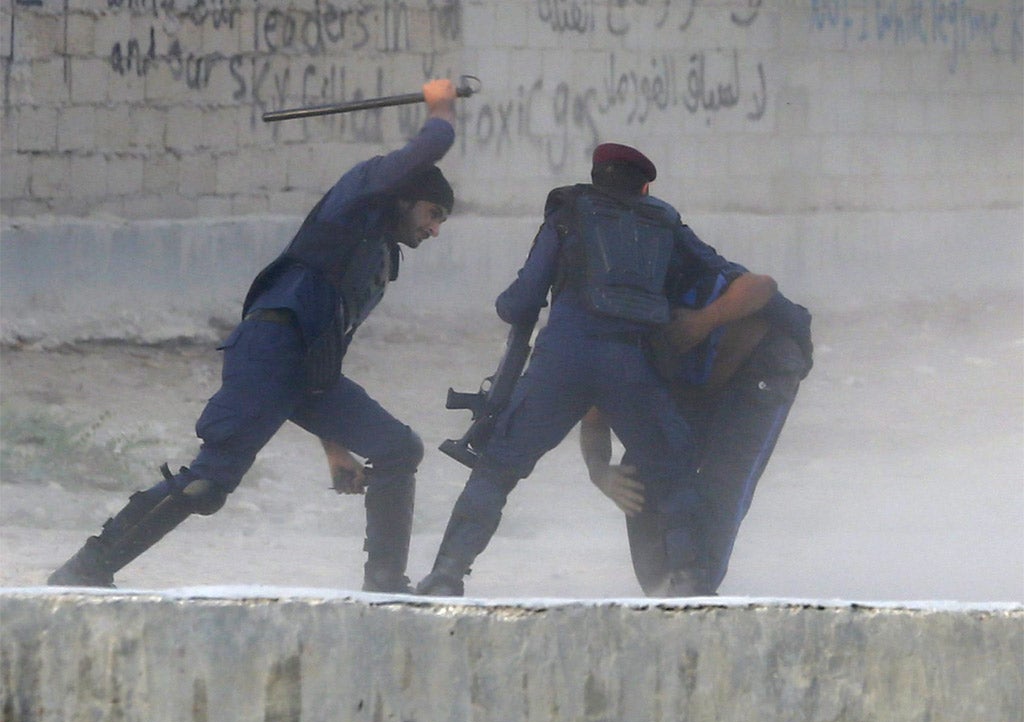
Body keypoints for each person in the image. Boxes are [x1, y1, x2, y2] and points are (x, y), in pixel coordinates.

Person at [47, 79, 460, 593]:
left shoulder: (379, 260)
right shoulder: (360, 195)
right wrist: (440, 106)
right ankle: (86, 568)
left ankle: (385, 583)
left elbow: (331, 349)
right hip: (268, 351)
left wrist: (335, 449)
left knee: (398, 449)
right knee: (208, 484)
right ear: (405, 198)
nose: (435, 229)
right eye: (433, 214)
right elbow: (429, 147)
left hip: (310, 370)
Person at [417, 143, 722, 597]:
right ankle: (692, 587)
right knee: (674, 475)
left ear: (597, 175)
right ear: (644, 186)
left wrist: (509, 306)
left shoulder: (569, 211)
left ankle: (446, 576)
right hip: (632, 363)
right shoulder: (664, 222)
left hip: (561, 361)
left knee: (496, 469)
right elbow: (716, 270)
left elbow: (522, 300)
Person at [580, 257, 813, 596]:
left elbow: (762, 286)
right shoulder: (610, 345)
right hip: (699, 383)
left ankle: (697, 594)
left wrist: (705, 320)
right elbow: (593, 422)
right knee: (639, 470)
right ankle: (662, 590)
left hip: (764, 362)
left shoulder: (673, 278)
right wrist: (599, 471)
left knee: (725, 482)